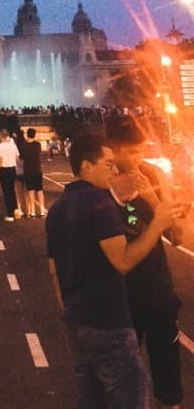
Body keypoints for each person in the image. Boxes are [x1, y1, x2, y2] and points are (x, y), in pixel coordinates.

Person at [46, 132, 183, 409]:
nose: (138, 160)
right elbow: (122, 261)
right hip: (113, 315)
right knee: (130, 393)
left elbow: (54, 271)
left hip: (113, 310)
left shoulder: (58, 208)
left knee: (97, 394)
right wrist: (155, 221)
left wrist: (70, 312)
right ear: (89, 164)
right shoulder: (100, 201)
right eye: (109, 161)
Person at [107, 117, 185, 409]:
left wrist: (152, 198)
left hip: (157, 291)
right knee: (123, 373)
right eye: (131, 152)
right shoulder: (103, 183)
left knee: (167, 368)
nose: (138, 158)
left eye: (142, 151)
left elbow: (176, 236)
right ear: (113, 148)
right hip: (119, 294)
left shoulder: (154, 175)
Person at [0, 129, 20, 220]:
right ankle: (15, 209)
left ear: (1, 136)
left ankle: (10, 214)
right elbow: (17, 157)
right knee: (12, 190)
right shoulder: (12, 145)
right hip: (12, 168)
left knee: (6, 192)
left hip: (4, 169)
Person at [21, 127, 46, 217]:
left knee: (30, 191)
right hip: (37, 170)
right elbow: (39, 153)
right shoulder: (37, 144)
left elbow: (22, 157)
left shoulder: (24, 145)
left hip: (28, 170)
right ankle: (42, 210)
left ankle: (32, 211)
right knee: (39, 190)